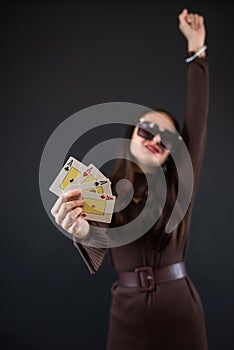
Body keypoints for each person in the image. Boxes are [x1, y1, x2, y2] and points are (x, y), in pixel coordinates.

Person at [51, 8, 209, 350]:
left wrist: (197, 50)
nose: (155, 139)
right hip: (127, 313)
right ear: (130, 135)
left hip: (181, 309)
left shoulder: (181, 184)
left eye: (167, 138)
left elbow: (197, 119)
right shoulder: (100, 188)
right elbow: (98, 244)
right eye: (147, 129)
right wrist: (82, 232)